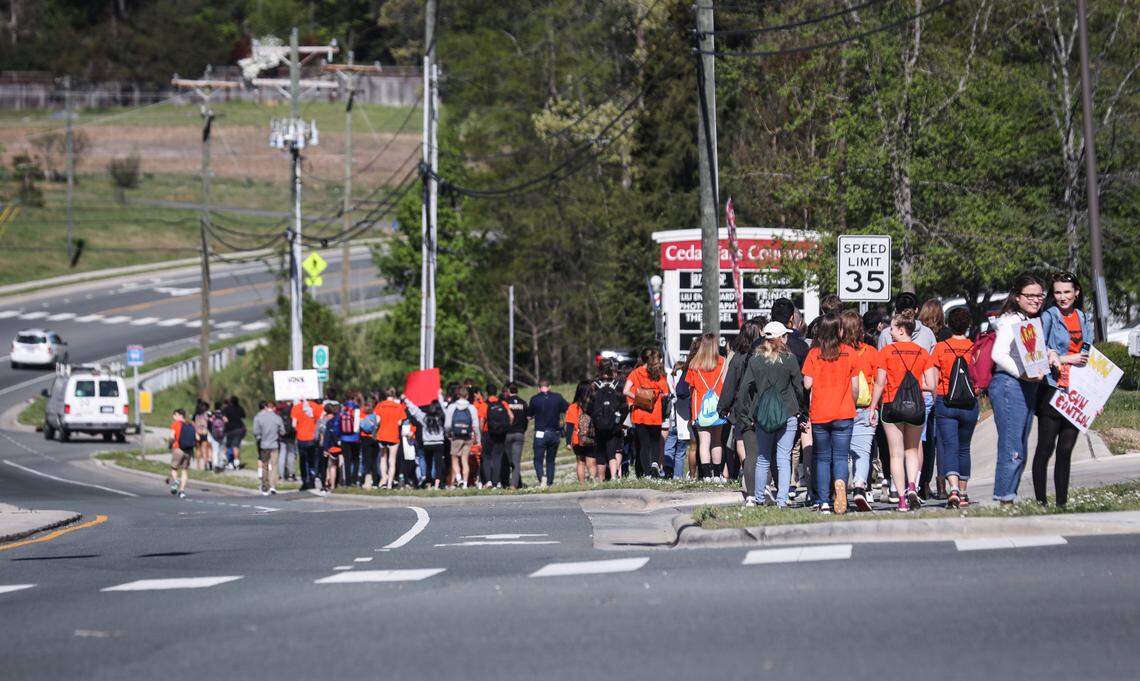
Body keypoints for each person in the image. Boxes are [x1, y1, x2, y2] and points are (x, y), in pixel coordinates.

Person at [1033, 271, 1094, 508]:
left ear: (1076, 292)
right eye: (1057, 292)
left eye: (1067, 291)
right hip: (1053, 388)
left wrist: (1095, 397)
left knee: (1066, 449)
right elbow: (1041, 351)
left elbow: (1089, 354)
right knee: (1046, 448)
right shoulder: (1048, 316)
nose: (1062, 296)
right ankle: (1040, 502)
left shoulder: (1082, 317)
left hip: (1077, 392)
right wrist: (1068, 358)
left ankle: (1061, 503)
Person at [869, 310, 938, 511]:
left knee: (895, 454)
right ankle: (912, 487)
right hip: (916, 407)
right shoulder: (922, 353)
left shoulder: (886, 352)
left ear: (901, 329)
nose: (889, 332)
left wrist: (873, 406)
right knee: (912, 450)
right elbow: (931, 383)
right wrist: (917, 386)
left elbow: (880, 383)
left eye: (892, 328)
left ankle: (900, 500)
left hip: (891, 406)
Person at [990, 273, 1048, 505]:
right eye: (1030, 296)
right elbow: (998, 354)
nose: (1035, 300)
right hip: (1009, 385)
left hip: (1025, 387)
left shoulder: (1029, 321)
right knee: (1012, 445)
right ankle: (1005, 499)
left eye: (1039, 296)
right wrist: (1022, 373)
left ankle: (1008, 496)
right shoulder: (1011, 320)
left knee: (1020, 445)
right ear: (1017, 297)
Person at [737, 322, 803, 507]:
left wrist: (745, 414)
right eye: (785, 336)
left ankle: (759, 498)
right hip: (788, 412)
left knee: (763, 457)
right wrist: (801, 410)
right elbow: (799, 387)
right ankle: (782, 500)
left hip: (762, 414)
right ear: (781, 338)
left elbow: (744, 390)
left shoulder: (755, 360)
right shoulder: (789, 359)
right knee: (783, 458)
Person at [801, 315, 859, 514]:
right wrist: (852, 402)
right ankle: (840, 483)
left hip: (820, 413)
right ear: (839, 331)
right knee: (841, 456)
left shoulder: (814, 353)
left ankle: (824, 501)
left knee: (822, 457)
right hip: (844, 411)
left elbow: (807, 383)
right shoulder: (850, 353)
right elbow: (855, 387)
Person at [932, 307, 980, 509]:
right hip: (969, 403)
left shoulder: (941, 348)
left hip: (946, 401)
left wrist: (937, 399)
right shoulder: (974, 348)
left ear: (949, 325)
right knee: (964, 448)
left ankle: (952, 489)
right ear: (968, 325)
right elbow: (979, 376)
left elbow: (933, 379)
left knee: (949, 446)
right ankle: (963, 492)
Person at [840, 310, 880, 512]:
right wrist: (874, 407)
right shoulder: (872, 352)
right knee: (863, 452)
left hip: (841, 407)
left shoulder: (838, 353)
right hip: (866, 407)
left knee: (840, 452)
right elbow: (880, 380)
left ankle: (839, 487)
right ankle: (859, 486)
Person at [717, 321, 762, 493]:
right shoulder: (762, 356)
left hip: (740, 405)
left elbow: (730, 384)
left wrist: (723, 406)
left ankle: (746, 467)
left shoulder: (737, 357)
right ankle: (755, 470)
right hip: (759, 403)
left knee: (741, 440)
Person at [685, 333, 729, 482]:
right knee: (717, 441)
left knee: (704, 442)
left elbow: (690, 389)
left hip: (700, 408)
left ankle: (707, 475)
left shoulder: (694, 364)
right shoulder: (723, 362)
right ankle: (717, 474)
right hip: (719, 407)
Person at [624, 349, 670, 479]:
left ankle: (647, 473)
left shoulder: (635, 373)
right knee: (655, 442)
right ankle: (655, 463)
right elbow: (666, 393)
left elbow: (625, 390)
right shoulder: (658, 374)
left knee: (644, 445)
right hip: (655, 414)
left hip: (639, 414)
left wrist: (638, 398)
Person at [917, 299, 947, 499]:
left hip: (922, 390)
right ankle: (942, 483)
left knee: (922, 441)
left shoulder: (918, 334)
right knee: (939, 441)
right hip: (942, 390)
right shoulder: (946, 335)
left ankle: (923, 483)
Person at [590, 361, 627, 480]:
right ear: (612, 370)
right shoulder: (618, 384)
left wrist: (595, 417)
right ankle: (614, 476)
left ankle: (600, 480)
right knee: (613, 451)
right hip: (614, 424)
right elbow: (624, 405)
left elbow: (588, 405)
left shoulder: (594, 385)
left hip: (598, 425)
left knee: (600, 453)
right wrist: (619, 419)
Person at [528, 380, 569, 487]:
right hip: (554, 433)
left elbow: (529, 416)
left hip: (540, 433)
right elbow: (567, 409)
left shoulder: (534, 399)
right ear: (549, 387)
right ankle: (550, 482)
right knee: (550, 460)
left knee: (538, 459)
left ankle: (542, 479)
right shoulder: (558, 397)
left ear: (538, 388)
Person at [405, 398, 448, 489]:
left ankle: (428, 484)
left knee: (428, 465)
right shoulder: (441, 418)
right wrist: (440, 397)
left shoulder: (424, 417)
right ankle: (436, 485)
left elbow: (414, 410)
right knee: (438, 465)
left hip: (427, 444)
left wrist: (406, 400)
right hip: (439, 443)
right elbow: (445, 411)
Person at [445, 386, 481, 489]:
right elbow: (476, 425)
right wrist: (478, 439)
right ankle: (465, 483)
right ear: (467, 395)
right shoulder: (471, 408)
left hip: (456, 436)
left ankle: (459, 478)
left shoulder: (452, 407)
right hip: (468, 436)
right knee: (465, 459)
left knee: (454, 458)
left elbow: (447, 425)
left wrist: (448, 434)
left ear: (457, 395)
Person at [374, 388, 407, 489]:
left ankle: (383, 479)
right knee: (392, 460)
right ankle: (389, 484)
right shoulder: (399, 406)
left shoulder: (380, 405)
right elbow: (400, 422)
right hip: (393, 435)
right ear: (394, 395)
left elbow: (377, 421)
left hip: (382, 434)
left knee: (383, 458)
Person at [252, 400, 285, 495]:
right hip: (274, 444)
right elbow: (282, 431)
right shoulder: (277, 418)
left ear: (266, 407)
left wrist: (260, 438)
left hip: (264, 444)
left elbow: (255, 432)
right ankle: (273, 486)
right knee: (274, 465)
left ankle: (265, 486)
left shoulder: (259, 417)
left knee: (264, 465)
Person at [482, 384, 511, 488]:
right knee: (498, 457)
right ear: (496, 392)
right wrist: (505, 427)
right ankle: (497, 482)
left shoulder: (484, 405)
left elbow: (482, 420)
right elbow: (511, 416)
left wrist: (481, 432)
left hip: (487, 433)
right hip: (500, 433)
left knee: (486, 457)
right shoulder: (502, 403)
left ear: (486, 393)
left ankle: (488, 481)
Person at [565, 381, 594, 484]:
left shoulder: (573, 407)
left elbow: (569, 426)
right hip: (591, 437)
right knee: (591, 461)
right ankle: (593, 482)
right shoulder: (592, 404)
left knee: (580, 462)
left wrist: (568, 442)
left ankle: (581, 484)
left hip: (577, 439)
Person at [291, 397, 321, 491]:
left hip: (301, 438)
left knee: (303, 461)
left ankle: (305, 482)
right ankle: (312, 480)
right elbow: (319, 422)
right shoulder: (316, 407)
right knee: (312, 461)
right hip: (312, 438)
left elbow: (294, 424)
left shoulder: (296, 407)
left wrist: (299, 429)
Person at [502, 383, 528, 488]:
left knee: (507, 460)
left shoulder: (505, 403)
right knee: (516, 461)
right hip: (519, 433)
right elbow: (526, 419)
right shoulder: (523, 403)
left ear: (508, 391)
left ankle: (505, 482)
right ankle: (514, 484)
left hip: (507, 434)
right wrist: (523, 430)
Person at [168, 408, 195, 499]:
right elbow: (197, 437)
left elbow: (172, 437)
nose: (173, 417)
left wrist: (170, 444)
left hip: (178, 449)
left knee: (174, 468)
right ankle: (182, 491)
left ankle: (176, 481)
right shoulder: (190, 424)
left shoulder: (175, 424)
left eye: (174, 415)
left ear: (179, 415)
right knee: (184, 470)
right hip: (188, 450)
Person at [338, 392, 363, 486]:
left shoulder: (342, 408)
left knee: (346, 460)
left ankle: (347, 481)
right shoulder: (356, 408)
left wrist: (339, 435)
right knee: (356, 459)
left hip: (344, 437)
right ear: (354, 398)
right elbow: (357, 424)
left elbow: (337, 423)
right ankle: (354, 479)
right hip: (355, 438)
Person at [317, 402, 341, 493]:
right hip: (337, 445)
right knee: (336, 465)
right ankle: (335, 483)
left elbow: (317, 434)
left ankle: (326, 483)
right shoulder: (337, 419)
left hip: (324, 445)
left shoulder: (322, 420)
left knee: (326, 466)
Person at [221, 396, 246, 470]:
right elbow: (243, 417)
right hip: (239, 429)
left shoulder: (226, 409)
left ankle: (227, 462)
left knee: (228, 446)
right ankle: (236, 464)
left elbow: (224, 419)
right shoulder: (240, 408)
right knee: (236, 447)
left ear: (230, 402)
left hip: (230, 430)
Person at [276, 401, 298, 482]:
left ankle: (281, 475)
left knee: (282, 454)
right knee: (291, 455)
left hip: (282, 436)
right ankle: (291, 475)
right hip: (291, 435)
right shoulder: (293, 409)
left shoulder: (281, 410)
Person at [192, 400, 211, 471]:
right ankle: (205, 464)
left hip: (197, 433)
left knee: (197, 449)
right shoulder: (206, 415)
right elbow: (209, 424)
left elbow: (193, 424)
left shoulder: (195, 415)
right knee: (204, 449)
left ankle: (198, 466)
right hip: (204, 433)